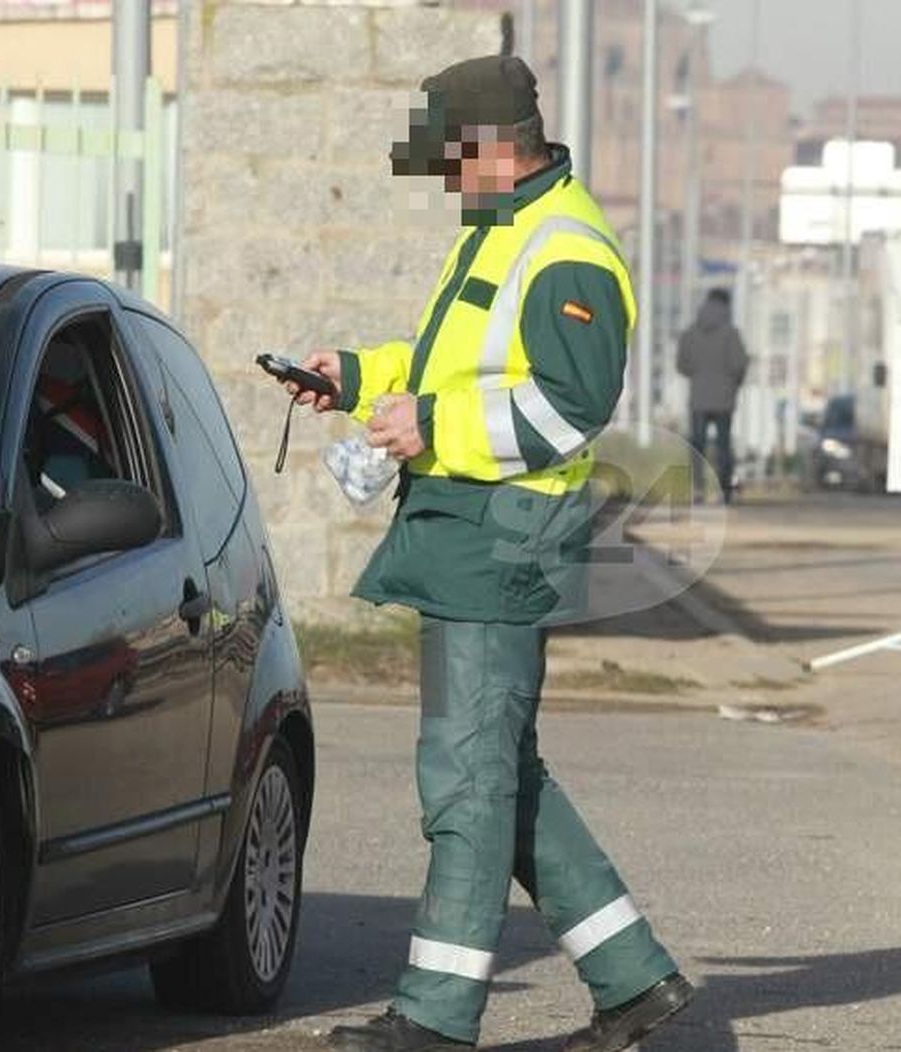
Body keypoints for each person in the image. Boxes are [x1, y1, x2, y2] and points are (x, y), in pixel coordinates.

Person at [289, 54, 692, 1052]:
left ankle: (434, 1018)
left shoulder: (564, 249)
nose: (439, 177)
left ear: (491, 147)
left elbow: (567, 408)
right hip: (468, 535)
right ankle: (634, 980)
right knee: (502, 774)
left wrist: (431, 427)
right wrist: (355, 377)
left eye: (447, 158)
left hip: (498, 538)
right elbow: (452, 368)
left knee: (468, 779)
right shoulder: (502, 234)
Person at [677, 287, 749, 504]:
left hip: (698, 398)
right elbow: (739, 364)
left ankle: (698, 489)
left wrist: (699, 375)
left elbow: (682, 365)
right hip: (724, 399)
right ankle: (723, 491)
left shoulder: (690, 333)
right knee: (723, 445)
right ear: (726, 305)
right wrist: (733, 382)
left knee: (697, 445)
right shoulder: (731, 333)